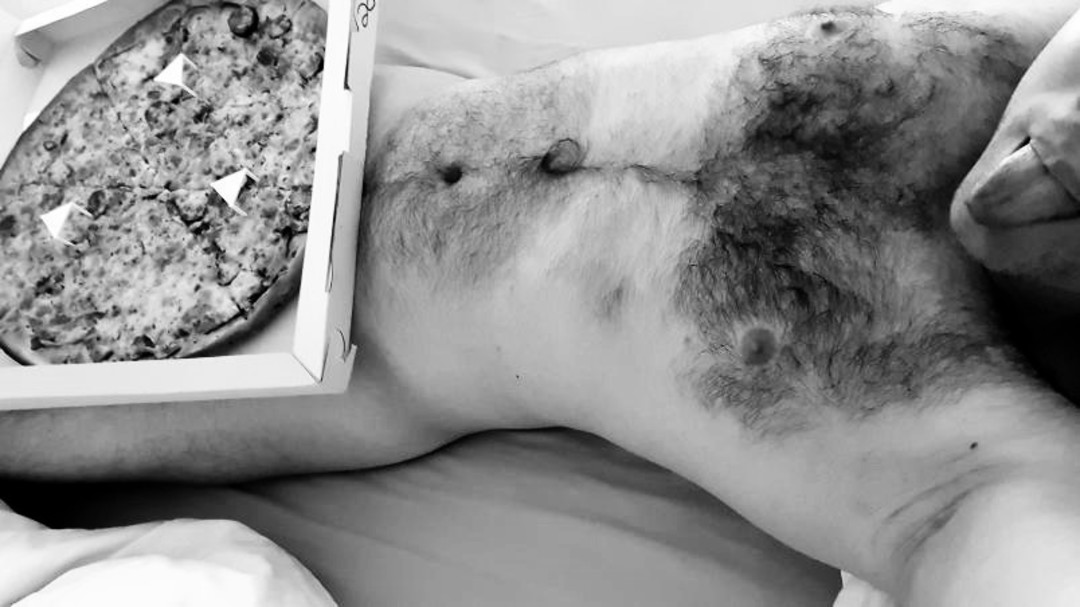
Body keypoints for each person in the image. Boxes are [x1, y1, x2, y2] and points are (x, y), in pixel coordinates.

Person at [5, 2, 1080, 606]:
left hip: (208, 351)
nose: (1065, 140)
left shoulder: (1001, 472)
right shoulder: (1031, 35)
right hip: (199, 83)